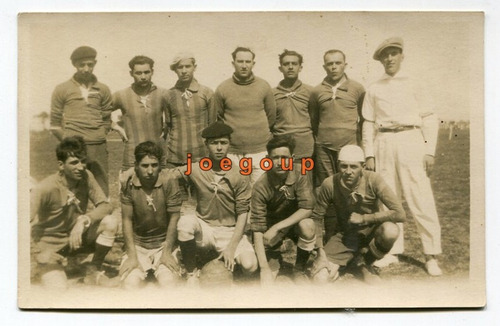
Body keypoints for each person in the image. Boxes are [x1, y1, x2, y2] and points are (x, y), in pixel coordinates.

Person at [362, 37, 443, 275]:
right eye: (385, 55)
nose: (389, 59)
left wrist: (429, 150)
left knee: (420, 196)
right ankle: (391, 251)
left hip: (411, 140)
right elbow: (367, 123)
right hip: (384, 141)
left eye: (394, 54)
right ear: (380, 60)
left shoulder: (416, 82)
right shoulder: (374, 87)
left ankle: (431, 255)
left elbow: (428, 117)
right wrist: (369, 154)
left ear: (401, 56)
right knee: (388, 198)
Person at [175, 121, 258, 286]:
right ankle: (191, 273)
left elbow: (243, 213)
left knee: (250, 265)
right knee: (185, 223)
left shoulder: (240, 173)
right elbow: (168, 175)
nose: (219, 148)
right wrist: (131, 171)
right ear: (206, 144)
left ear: (229, 145)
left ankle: (232, 270)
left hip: (230, 231)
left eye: (223, 143)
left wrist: (231, 247)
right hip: (205, 228)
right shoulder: (196, 168)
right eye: (214, 143)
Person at [30, 136, 118, 288]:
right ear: (61, 165)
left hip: (75, 239)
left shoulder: (86, 177)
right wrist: (39, 253)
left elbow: (105, 206)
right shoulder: (45, 188)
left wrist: (85, 219)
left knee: (110, 222)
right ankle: (44, 270)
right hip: (50, 247)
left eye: (83, 161)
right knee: (58, 289)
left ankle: (92, 270)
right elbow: (18, 223)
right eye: (74, 162)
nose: (81, 167)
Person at [310, 145, 406, 284]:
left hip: (372, 232)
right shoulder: (330, 184)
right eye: (344, 166)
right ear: (338, 165)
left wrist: (364, 218)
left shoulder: (374, 180)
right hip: (346, 235)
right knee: (320, 279)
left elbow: (400, 213)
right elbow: (317, 217)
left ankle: (366, 263)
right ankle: (351, 261)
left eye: (353, 167)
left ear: (363, 166)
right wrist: (320, 252)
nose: (348, 171)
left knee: (390, 230)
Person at [250, 135, 316, 286]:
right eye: (275, 158)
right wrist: (264, 269)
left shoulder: (300, 173)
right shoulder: (260, 186)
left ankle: (299, 268)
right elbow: (258, 228)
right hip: (269, 230)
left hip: (291, 225)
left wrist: (278, 227)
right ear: (267, 159)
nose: (280, 163)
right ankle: (273, 258)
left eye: (285, 157)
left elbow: (307, 208)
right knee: (268, 279)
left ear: (292, 158)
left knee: (308, 225)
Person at [50, 46, 113, 196]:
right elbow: (54, 124)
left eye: (90, 64)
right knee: (73, 188)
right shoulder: (62, 89)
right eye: (81, 65)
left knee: (101, 186)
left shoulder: (103, 89)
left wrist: (99, 135)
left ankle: (102, 217)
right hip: (75, 148)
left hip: (98, 146)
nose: (86, 69)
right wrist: (70, 143)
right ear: (75, 65)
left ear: (95, 64)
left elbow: (107, 119)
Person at [119, 141, 182, 289]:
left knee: (169, 284)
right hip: (138, 245)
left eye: (154, 165)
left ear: (160, 165)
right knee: (130, 285)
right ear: (136, 166)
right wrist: (132, 256)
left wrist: (166, 252)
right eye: (145, 165)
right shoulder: (128, 183)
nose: (150, 171)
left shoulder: (169, 181)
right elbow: (126, 220)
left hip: (163, 244)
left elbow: (174, 217)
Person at [213, 46, 276, 184]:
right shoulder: (223, 88)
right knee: (235, 190)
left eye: (248, 62)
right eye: (240, 61)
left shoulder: (264, 86)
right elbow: (218, 118)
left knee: (259, 193)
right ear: (233, 63)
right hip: (233, 152)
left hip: (260, 151)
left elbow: (271, 117)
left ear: (253, 63)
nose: (244, 65)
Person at [309, 49, 365, 187]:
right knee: (327, 185)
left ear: (345, 65)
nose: (334, 67)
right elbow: (314, 120)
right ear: (324, 67)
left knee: (349, 183)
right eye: (329, 64)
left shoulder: (357, 88)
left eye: (338, 63)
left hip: (349, 145)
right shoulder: (316, 91)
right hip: (324, 148)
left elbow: (363, 119)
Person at [111, 55, 168, 171]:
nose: (143, 77)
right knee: (131, 186)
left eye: (146, 72)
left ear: (152, 72)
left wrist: (167, 127)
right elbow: (100, 111)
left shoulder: (163, 93)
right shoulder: (121, 95)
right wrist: (117, 128)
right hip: (132, 155)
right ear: (131, 73)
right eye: (138, 73)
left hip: (157, 154)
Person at [164, 52, 215, 168]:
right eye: (180, 67)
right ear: (175, 70)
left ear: (194, 67)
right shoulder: (168, 95)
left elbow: (212, 125)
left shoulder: (207, 93)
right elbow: (169, 125)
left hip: (201, 157)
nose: (184, 71)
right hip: (175, 157)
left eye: (188, 66)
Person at [272, 49, 314, 159]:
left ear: (300, 67)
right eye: (286, 64)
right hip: (281, 147)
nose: (290, 67)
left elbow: (315, 119)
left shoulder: (311, 92)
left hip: (305, 147)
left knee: (305, 175)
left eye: (294, 64)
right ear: (280, 68)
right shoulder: (272, 93)